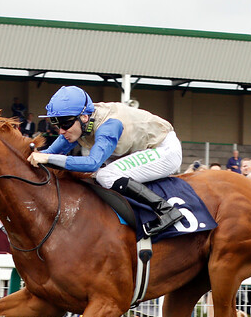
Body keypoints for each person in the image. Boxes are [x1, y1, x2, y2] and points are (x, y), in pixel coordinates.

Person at [28, 86, 183, 236]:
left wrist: (47, 158)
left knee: (105, 175)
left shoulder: (109, 126)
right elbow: (48, 154)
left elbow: (92, 163)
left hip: (164, 150)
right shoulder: (80, 123)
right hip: (141, 149)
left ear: (84, 117)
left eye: (65, 124)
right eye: (57, 124)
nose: (61, 131)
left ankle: (166, 210)